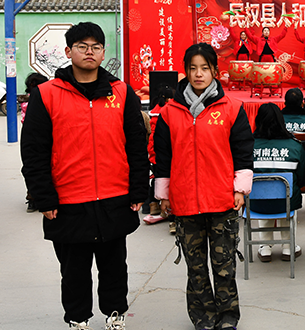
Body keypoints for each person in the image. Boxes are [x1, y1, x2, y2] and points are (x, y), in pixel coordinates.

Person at [21, 22, 150, 330]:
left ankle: (115, 313)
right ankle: (78, 319)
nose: (89, 52)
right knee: (74, 270)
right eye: (82, 46)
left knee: (114, 266)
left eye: (95, 47)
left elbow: (136, 145)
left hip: (114, 197)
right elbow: (34, 151)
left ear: (104, 53)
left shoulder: (121, 93)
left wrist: (138, 190)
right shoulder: (47, 94)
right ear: (69, 51)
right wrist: (43, 196)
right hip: (68, 200)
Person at [153, 43, 254, 330]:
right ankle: (202, 317)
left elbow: (243, 152)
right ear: (185, 71)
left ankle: (228, 316)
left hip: (222, 200)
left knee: (224, 267)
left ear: (214, 71)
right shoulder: (170, 112)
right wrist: (163, 193)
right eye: (193, 68)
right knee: (195, 269)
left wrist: (240, 189)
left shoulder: (232, 108)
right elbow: (163, 156)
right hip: (185, 202)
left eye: (205, 68)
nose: (199, 74)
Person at [251, 103, 305, 262]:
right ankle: (288, 247)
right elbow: (302, 177)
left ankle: (265, 247)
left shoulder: (248, 145)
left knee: (264, 195)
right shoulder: (294, 146)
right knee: (288, 194)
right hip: (287, 202)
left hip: (255, 203)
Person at [144, 84, 176, 227]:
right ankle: (171, 217)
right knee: (170, 182)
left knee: (156, 179)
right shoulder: (170, 111)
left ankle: (152, 205)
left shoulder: (155, 112)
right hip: (166, 152)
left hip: (154, 152)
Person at [20, 72, 49, 213]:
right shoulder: (44, 100)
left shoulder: (26, 102)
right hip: (44, 137)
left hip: (29, 138)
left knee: (31, 167)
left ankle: (32, 197)